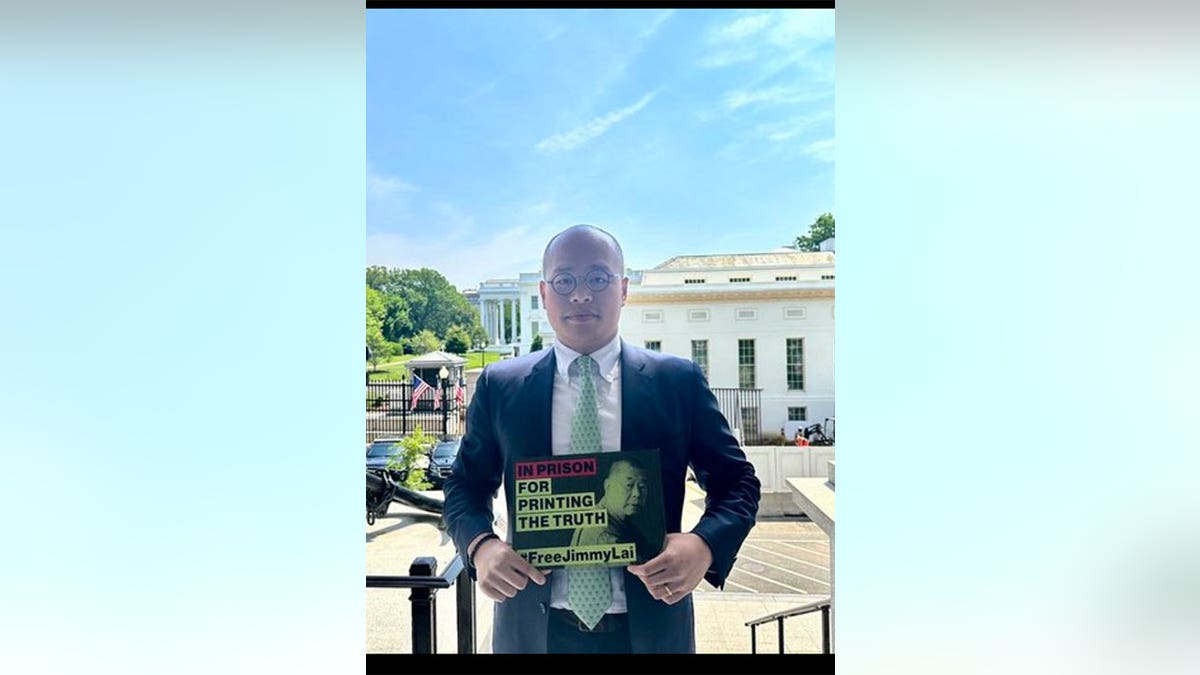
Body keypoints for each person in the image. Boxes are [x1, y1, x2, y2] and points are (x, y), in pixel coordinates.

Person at [443, 224, 761, 654]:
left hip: (650, 632)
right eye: (564, 280)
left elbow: (737, 482)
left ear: (624, 289)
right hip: (532, 632)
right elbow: (464, 485)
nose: (580, 294)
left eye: (597, 278)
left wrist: (704, 544)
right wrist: (481, 546)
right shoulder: (502, 386)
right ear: (544, 291)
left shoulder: (676, 381)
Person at [570, 457, 657, 560]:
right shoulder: (602, 534)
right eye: (628, 485)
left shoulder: (622, 523)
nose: (637, 494)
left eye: (642, 486)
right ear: (608, 486)